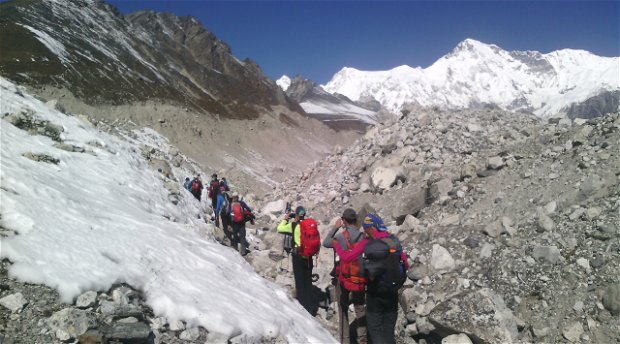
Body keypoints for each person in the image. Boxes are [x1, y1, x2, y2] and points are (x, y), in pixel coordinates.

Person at [334, 214, 409, 344]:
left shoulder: (367, 242)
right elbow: (406, 264)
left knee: (375, 328)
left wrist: (337, 246)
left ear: (370, 228)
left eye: (365, 228)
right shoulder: (393, 240)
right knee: (388, 329)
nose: (364, 231)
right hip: (392, 291)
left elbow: (347, 258)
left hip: (375, 292)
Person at [323, 208, 368, 344]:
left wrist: (335, 228)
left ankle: (345, 341)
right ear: (355, 220)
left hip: (343, 279)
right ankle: (362, 340)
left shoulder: (340, 237)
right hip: (359, 278)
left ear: (344, 221)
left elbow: (325, 243)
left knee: (343, 309)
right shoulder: (363, 237)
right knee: (360, 308)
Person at [277, 206, 315, 314]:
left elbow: (280, 228)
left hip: (298, 256)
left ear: (297, 215)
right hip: (308, 257)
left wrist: (286, 218)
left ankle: (303, 310)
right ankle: (310, 307)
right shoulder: (310, 225)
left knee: (300, 283)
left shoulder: (293, 225)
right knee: (308, 282)